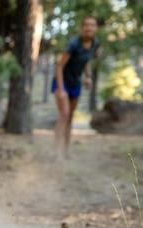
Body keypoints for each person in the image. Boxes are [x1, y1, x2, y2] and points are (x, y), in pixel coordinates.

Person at [53, 16, 100, 159]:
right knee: (64, 115)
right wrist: (61, 90)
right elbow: (59, 66)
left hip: (76, 83)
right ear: (82, 28)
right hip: (62, 81)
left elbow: (86, 61)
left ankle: (66, 151)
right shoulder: (74, 44)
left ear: (96, 28)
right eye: (86, 25)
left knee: (71, 117)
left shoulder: (95, 44)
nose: (89, 28)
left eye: (92, 25)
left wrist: (88, 77)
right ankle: (57, 152)